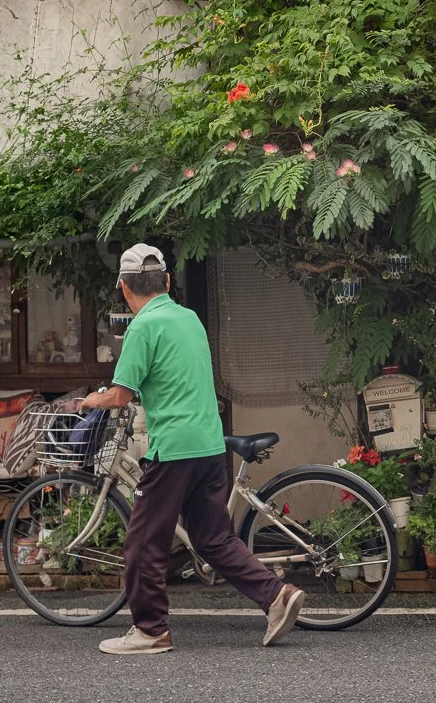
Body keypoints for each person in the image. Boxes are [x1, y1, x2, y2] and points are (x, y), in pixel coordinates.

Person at [78, 243, 305, 655]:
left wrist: (91, 399)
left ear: (124, 288)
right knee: (213, 538)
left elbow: (120, 395)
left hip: (174, 449)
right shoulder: (189, 318)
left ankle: (151, 630)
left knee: (143, 543)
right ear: (167, 281)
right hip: (209, 445)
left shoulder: (142, 327)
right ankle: (277, 596)